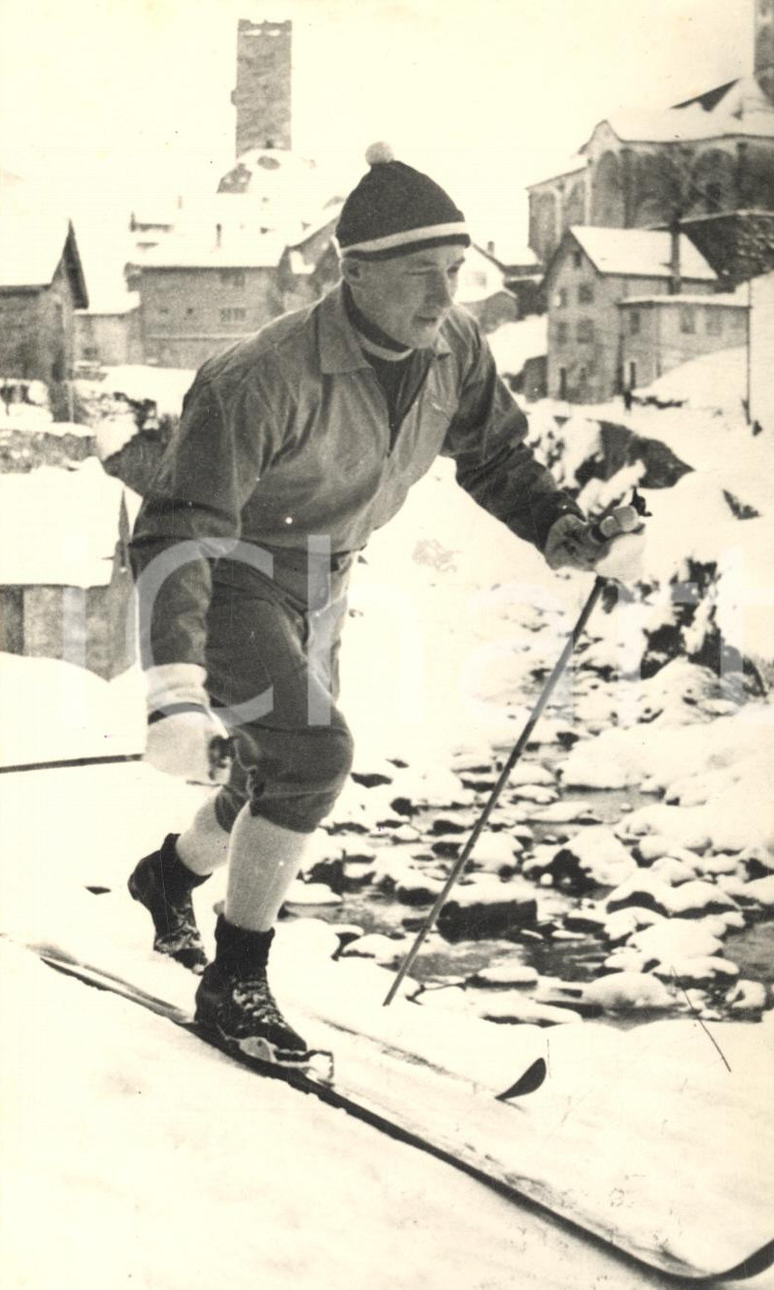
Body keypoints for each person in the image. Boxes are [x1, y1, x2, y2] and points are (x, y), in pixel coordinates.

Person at [128, 144, 637, 1063]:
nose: (443, 298)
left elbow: (494, 456)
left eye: (454, 272)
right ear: (352, 273)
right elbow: (177, 534)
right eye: (418, 277)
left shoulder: (456, 348)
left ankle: (167, 879)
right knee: (315, 753)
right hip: (237, 573)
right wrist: (175, 685)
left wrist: (560, 525)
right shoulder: (259, 378)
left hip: (327, 583)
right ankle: (236, 982)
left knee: (265, 773)